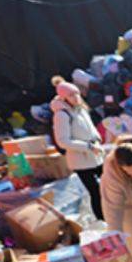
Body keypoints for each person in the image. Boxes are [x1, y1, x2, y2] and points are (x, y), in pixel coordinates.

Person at [51, 75, 105, 220]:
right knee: (95, 192)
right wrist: (87, 146)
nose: (75, 97)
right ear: (63, 98)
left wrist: (97, 139)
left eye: (76, 93)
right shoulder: (61, 115)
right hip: (80, 160)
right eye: (71, 95)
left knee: (108, 185)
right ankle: (103, 220)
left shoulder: (80, 109)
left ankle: (113, 214)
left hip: (96, 154)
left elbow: (90, 128)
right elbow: (62, 141)